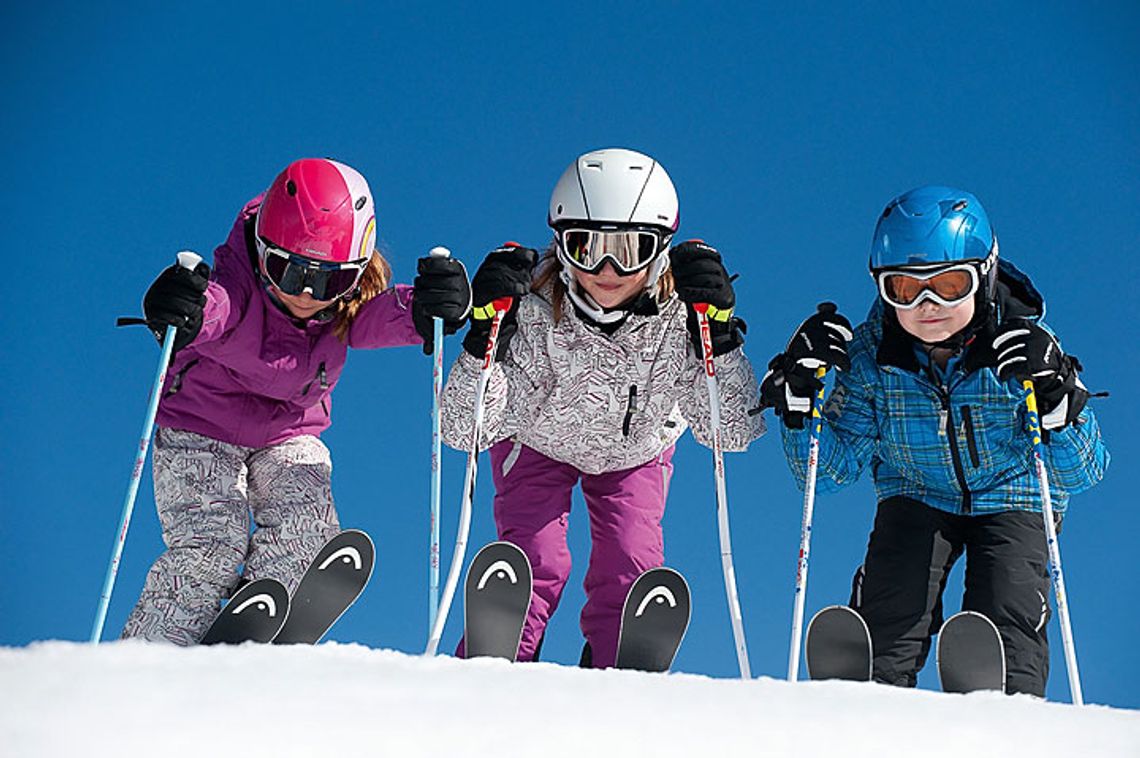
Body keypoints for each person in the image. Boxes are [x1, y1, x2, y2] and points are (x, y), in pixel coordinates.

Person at [760, 185, 1109, 695]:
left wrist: (1058, 402)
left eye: (949, 285)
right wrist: (799, 405)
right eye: (903, 289)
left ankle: (1005, 700)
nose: (927, 306)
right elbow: (830, 473)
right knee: (895, 596)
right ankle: (871, 686)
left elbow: (1084, 471)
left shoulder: (1025, 349)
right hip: (916, 490)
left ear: (984, 276)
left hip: (1014, 493)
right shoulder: (872, 358)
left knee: (1006, 600)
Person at [122, 157, 471, 645]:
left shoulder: (342, 307)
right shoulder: (239, 288)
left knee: (308, 537)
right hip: (199, 430)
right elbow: (218, 307)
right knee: (211, 548)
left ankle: (261, 618)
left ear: (354, 274)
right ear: (263, 251)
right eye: (287, 272)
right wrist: (187, 311)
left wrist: (423, 309)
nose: (306, 293)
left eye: (328, 279)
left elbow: (374, 318)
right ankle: (152, 655)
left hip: (287, 434)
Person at [440, 147, 765, 667]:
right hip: (538, 443)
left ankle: (619, 668)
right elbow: (463, 431)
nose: (608, 270)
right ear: (560, 245)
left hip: (635, 453)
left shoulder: (682, 312)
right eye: (586, 246)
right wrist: (485, 337)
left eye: (630, 248)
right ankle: (497, 659)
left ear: (659, 250)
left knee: (631, 561)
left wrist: (719, 337)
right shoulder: (533, 304)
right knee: (535, 557)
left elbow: (732, 433)